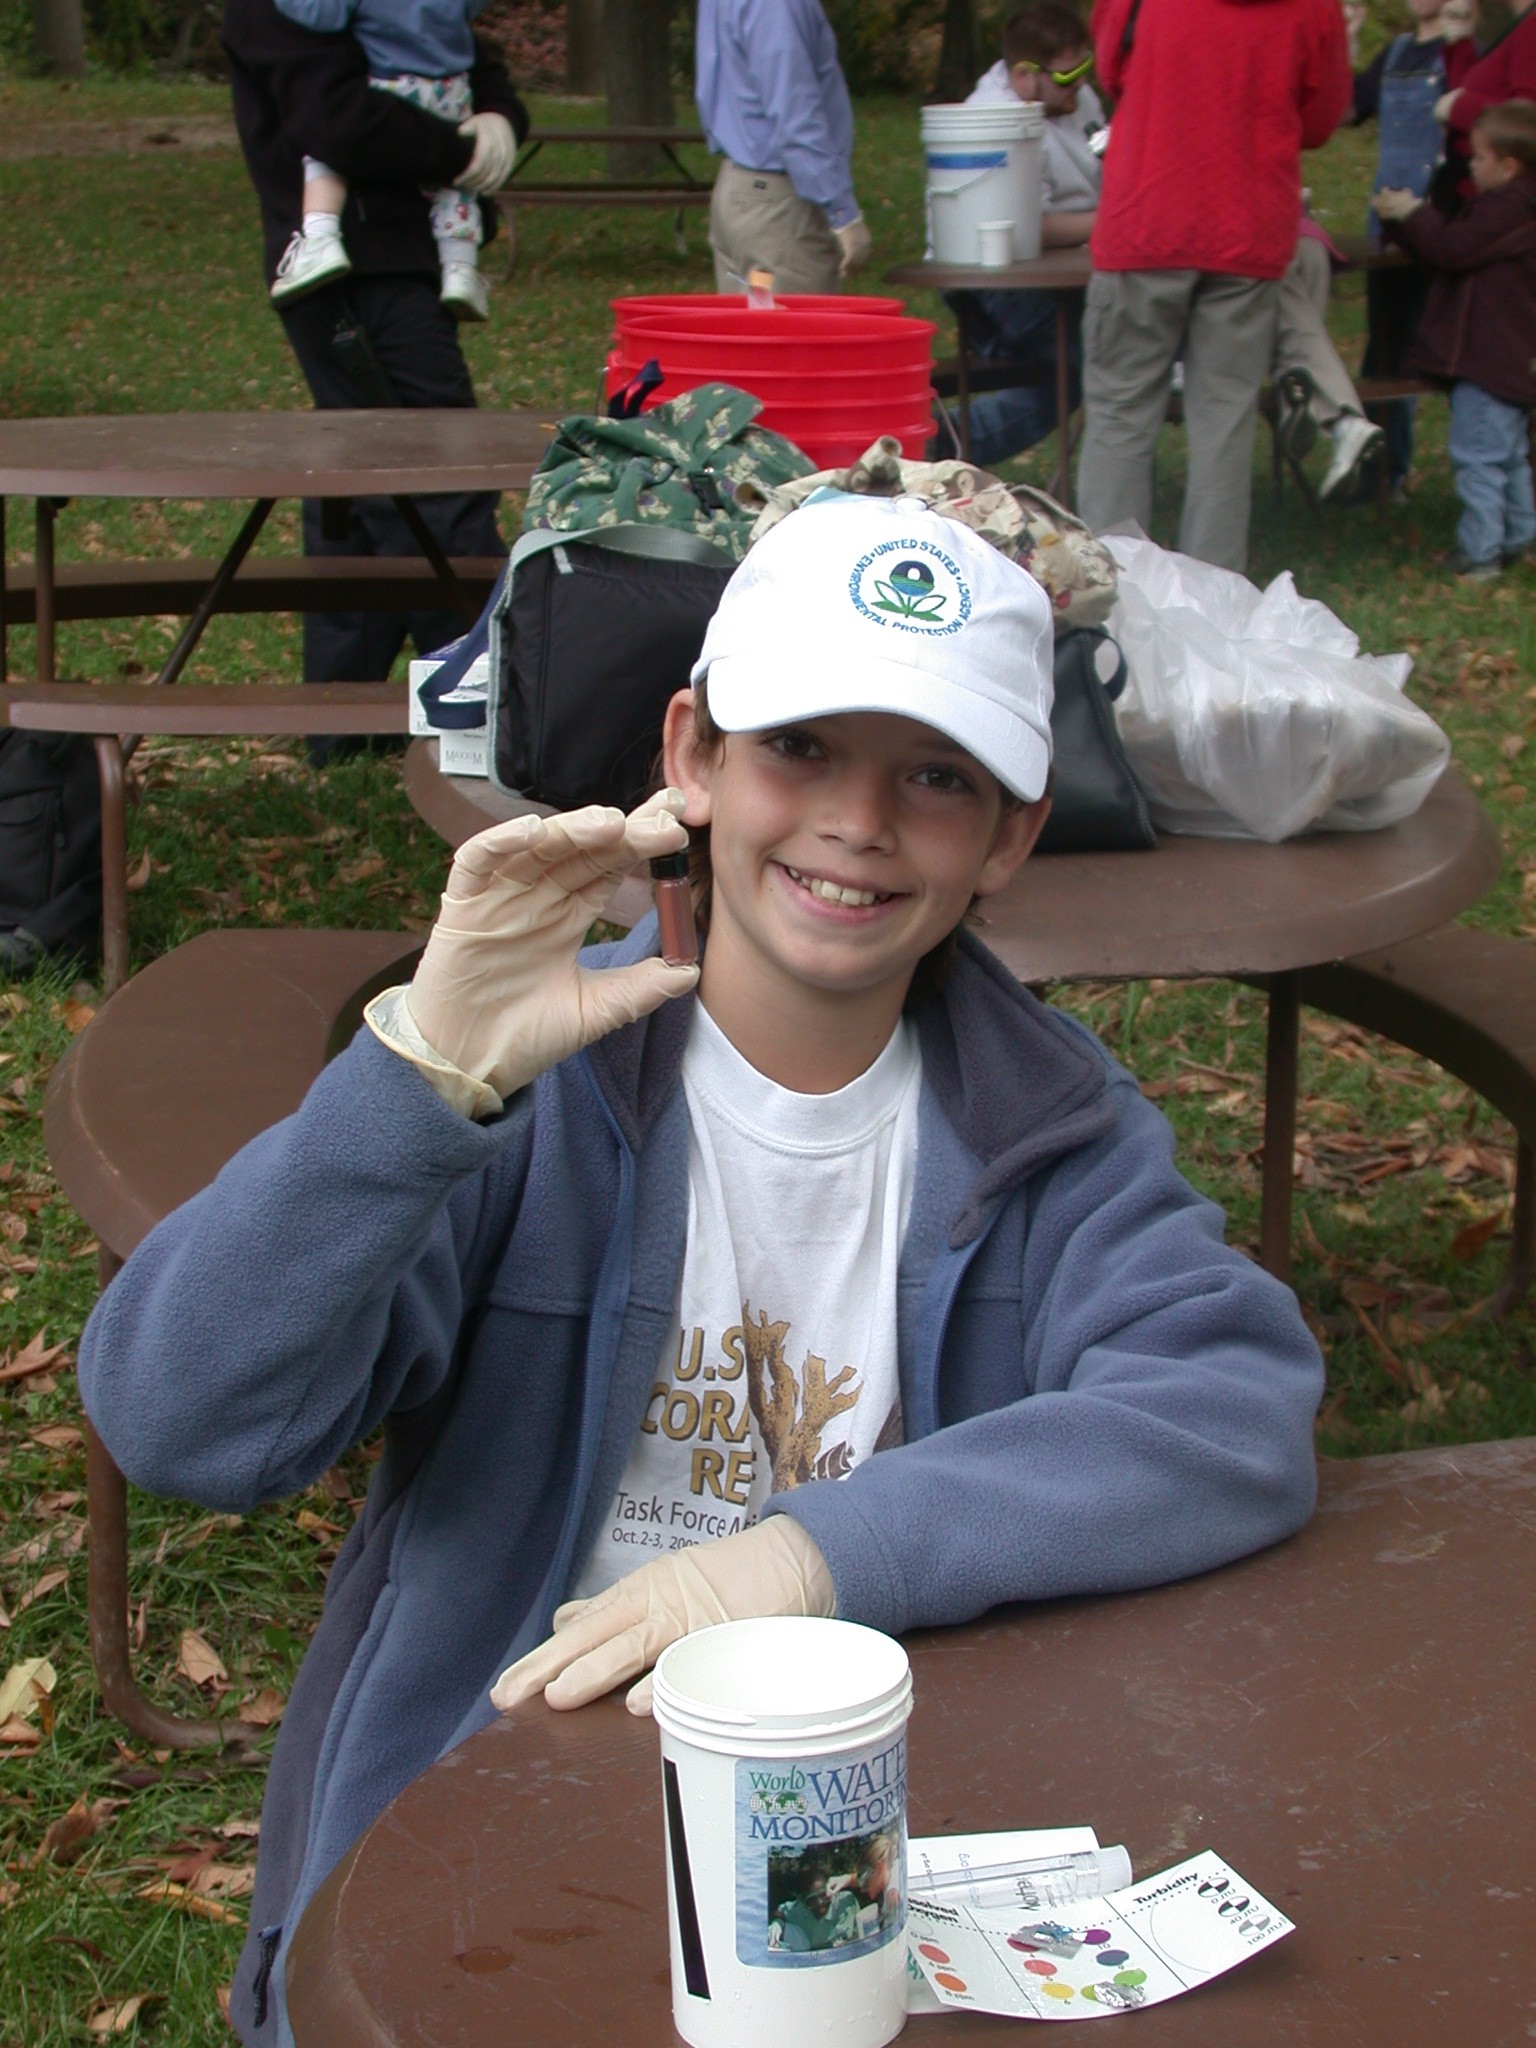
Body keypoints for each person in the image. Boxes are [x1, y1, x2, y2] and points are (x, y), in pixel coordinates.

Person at [79, 494, 1324, 2046]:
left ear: (1014, 831)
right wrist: (419, 1077)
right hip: (481, 1821)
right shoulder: (524, 1101)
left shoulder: (1049, 1128)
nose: (859, 823)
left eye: (937, 777)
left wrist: (812, 1556)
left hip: (866, 1830)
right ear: (693, 757)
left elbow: (1231, 1407)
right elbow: (179, 1417)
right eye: (800, 748)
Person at [222, 0, 524, 750]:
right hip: (349, 269)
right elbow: (337, 119)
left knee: (359, 480)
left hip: (403, 258)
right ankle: (485, 719)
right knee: (436, 475)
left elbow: (461, 47)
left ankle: (340, 723)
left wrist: (500, 116)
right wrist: (459, 148)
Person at [1075, 0, 1352, 570]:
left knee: (1120, 416)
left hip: (1146, 219)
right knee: (1225, 425)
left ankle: (1108, 606)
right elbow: (1322, 120)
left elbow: (1111, 73)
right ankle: (1213, 611)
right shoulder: (1315, 8)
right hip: (1249, 227)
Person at [938, 0, 1105, 466]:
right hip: (994, 282)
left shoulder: (1076, 99)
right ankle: (933, 450)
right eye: (1069, 77)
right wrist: (1116, 223)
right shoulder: (992, 119)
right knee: (1114, 351)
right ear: (1024, 77)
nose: (1082, 85)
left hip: (1065, 272)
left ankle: (936, 450)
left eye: (1085, 69)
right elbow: (1028, 228)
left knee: (1068, 379)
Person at [1374, 98, 1536, 577]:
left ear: (1509, 166)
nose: (1471, 163)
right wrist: (1403, 223)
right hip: (1505, 357)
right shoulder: (1502, 206)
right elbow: (1443, 250)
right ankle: (1522, 537)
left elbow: (1451, 247)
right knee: (1508, 456)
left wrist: (1414, 213)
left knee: (1479, 457)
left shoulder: (1512, 207)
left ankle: (1481, 552)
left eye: (1480, 156)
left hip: (1488, 358)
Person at [268, 0, 496, 323]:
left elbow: (324, 15)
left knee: (326, 150)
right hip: (452, 88)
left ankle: (321, 237)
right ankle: (460, 267)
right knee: (456, 176)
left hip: (393, 82)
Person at [1347, 0, 1480, 493]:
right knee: (1384, 349)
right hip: (1388, 225)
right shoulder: (1398, 51)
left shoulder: (1466, 54)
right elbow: (1345, 110)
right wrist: (1350, 40)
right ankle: (1381, 474)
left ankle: (1479, 474)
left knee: (1431, 349)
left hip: (1439, 223)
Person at [695, 0, 872, 294]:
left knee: (750, 335)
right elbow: (795, 113)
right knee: (793, 336)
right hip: (780, 208)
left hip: (738, 190)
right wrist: (842, 212)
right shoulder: (776, 6)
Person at [1272, 220, 1385, 502]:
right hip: (1302, 235)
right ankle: (1300, 406)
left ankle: (1343, 420)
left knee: (1295, 334)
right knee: (1298, 338)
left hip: (1251, 242)